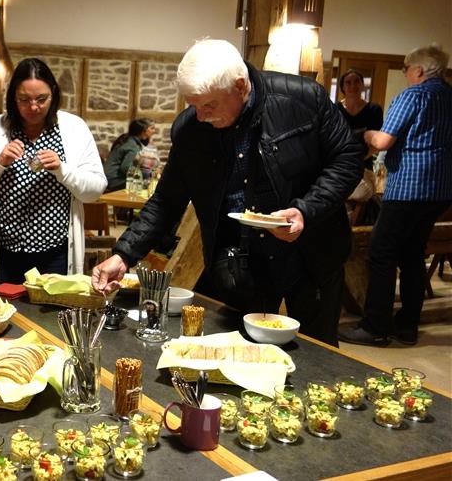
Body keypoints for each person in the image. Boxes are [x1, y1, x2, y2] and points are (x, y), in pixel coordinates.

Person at [92, 39, 363, 346]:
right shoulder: (191, 129)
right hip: (242, 261)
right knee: (239, 351)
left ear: (241, 86)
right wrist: (123, 254)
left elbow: (348, 159)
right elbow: (166, 201)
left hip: (312, 252)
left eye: (209, 105)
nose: (201, 116)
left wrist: (305, 209)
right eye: (193, 105)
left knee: (318, 353)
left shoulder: (302, 98)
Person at [339, 45, 452, 347]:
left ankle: (375, 327)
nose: (405, 74)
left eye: (406, 69)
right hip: (440, 189)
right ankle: (407, 326)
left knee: (381, 253)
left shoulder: (413, 96)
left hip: (408, 187)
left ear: (418, 70)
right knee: (414, 254)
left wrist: (365, 135)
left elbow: (384, 140)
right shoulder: (449, 96)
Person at [0, 58, 107, 286]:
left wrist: (63, 170)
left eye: (41, 99)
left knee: (50, 316)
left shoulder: (74, 128)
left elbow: (95, 190)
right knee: (4, 314)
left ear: (54, 94)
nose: (33, 107)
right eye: (24, 99)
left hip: (55, 252)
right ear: (13, 98)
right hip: (5, 251)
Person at [337, 69, 384, 221]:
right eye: (348, 82)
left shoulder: (373, 110)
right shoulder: (335, 110)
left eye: (357, 81)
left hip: (364, 169)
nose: (353, 86)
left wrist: (359, 158)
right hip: (339, 167)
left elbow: (377, 143)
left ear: (363, 85)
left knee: (357, 192)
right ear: (342, 87)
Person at [103, 118, 156, 192]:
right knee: (146, 176)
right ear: (143, 130)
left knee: (145, 174)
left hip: (107, 177)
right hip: (113, 180)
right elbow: (125, 168)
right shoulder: (132, 145)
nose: (154, 131)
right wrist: (142, 169)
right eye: (152, 128)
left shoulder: (127, 139)